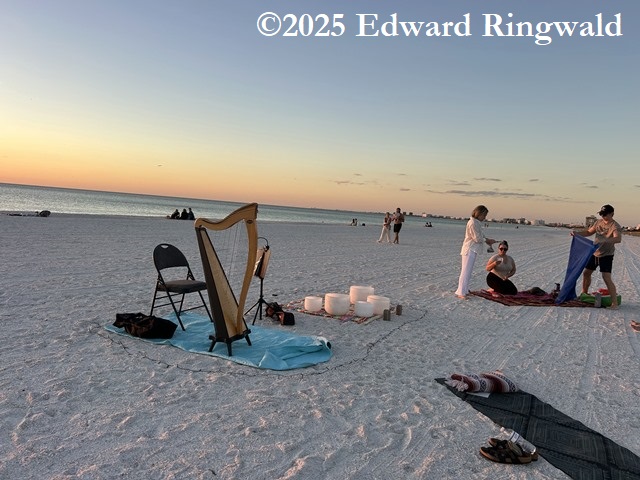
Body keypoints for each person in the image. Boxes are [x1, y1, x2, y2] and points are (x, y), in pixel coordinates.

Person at [572, 204, 622, 309]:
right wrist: (577, 234)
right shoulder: (598, 222)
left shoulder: (615, 226)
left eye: (605, 214)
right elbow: (588, 232)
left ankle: (614, 304)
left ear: (612, 214)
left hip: (607, 255)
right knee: (586, 273)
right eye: (602, 214)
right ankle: (584, 294)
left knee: (606, 277)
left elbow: (618, 239)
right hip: (595, 253)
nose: (603, 216)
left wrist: (604, 239)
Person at [455, 205, 496, 299]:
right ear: (479, 213)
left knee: (468, 271)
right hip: (469, 249)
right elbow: (477, 238)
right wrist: (487, 240)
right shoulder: (473, 222)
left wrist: (487, 240)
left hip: (472, 249)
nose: (484, 217)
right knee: (465, 271)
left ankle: (464, 290)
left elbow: (480, 236)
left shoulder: (476, 223)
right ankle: (461, 292)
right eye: (484, 215)